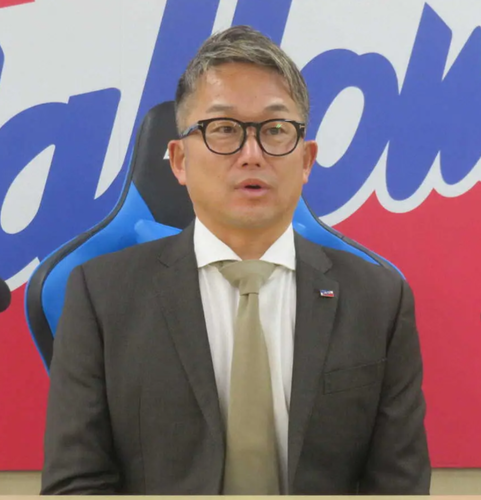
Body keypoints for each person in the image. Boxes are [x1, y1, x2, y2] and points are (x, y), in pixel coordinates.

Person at [41, 25, 431, 495]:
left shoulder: (378, 299)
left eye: (275, 130)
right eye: (224, 129)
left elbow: (398, 484)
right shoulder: (101, 296)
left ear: (306, 160)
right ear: (179, 160)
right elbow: (77, 484)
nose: (251, 154)